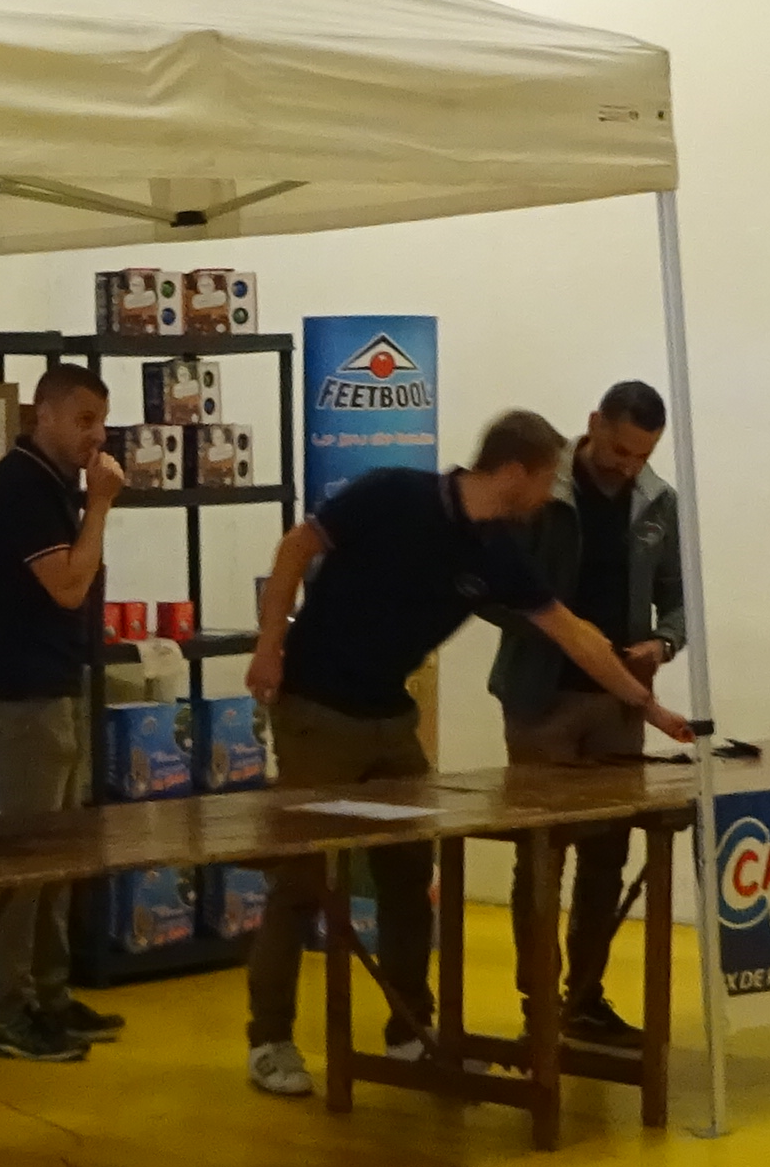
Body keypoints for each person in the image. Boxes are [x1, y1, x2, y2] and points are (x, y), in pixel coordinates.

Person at [241, 410, 693, 1097]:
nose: (550, 494)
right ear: (513, 472)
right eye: (545, 479)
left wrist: (650, 707)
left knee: (407, 879)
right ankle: (270, 1040)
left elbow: (573, 632)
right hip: (316, 710)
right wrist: (269, 645)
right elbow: (296, 547)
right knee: (303, 878)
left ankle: (408, 1033)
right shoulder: (393, 492)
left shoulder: (498, 550)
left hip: (390, 717)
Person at [485, 381, 689, 1047]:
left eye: (642, 456)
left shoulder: (659, 502)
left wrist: (663, 643)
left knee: (608, 856)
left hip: (618, 703)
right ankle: (538, 1004)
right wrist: (558, 632)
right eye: (619, 450)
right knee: (541, 858)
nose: (628, 467)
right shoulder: (541, 490)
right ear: (594, 423)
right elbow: (487, 588)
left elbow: (681, 599)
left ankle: (586, 998)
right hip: (540, 699)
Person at [0, 364, 129, 1062]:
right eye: (84, 420)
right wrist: (101, 507)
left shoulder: (55, 484)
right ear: (43, 416)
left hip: (57, 683)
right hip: (21, 694)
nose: (97, 436)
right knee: (26, 862)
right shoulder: (21, 486)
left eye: (102, 421)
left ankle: (52, 997)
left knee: (60, 858)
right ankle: (10, 1012)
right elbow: (67, 586)